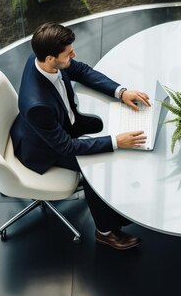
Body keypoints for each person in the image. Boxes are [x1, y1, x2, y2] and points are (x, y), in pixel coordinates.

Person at [10, 22, 151, 249]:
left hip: (61, 123)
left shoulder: (42, 60)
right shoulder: (37, 105)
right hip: (45, 149)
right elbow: (66, 147)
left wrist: (121, 92)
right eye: (68, 54)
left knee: (106, 130)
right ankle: (105, 232)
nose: (73, 55)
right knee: (96, 166)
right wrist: (117, 141)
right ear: (49, 59)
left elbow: (82, 71)